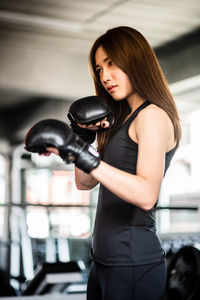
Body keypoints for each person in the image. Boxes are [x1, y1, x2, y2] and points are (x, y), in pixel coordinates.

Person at [37, 26, 181, 299]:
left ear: (135, 61)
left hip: (133, 262)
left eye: (111, 64)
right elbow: (84, 182)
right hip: (103, 262)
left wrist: (78, 152)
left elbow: (147, 195)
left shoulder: (152, 116)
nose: (104, 76)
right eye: (99, 69)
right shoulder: (119, 120)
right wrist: (82, 140)